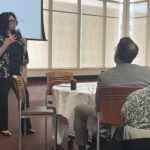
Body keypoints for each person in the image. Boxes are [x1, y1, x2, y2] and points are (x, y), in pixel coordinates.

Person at [74, 37, 150, 150]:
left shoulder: (105, 76)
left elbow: (98, 108)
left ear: (116, 55)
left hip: (108, 120)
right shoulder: (147, 73)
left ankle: (81, 147)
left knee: (79, 109)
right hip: (137, 122)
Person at [0, 12, 35, 136]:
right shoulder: (1, 36)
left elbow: (24, 59)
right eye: (11, 21)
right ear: (4, 22)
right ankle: (3, 128)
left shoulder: (18, 35)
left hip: (16, 72)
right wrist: (6, 43)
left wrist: (24, 46)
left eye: (14, 20)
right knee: (2, 99)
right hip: (3, 73)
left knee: (24, 96)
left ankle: (26, 127)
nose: (14, 23)